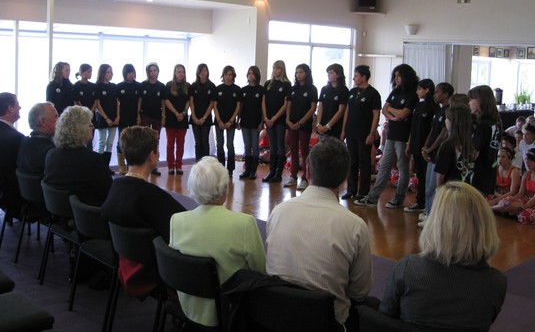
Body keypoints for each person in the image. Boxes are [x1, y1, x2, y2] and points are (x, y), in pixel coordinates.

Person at [267, 138, 372, 331]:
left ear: (307, 171)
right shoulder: (355, 227)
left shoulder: (278, 212)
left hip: (276, 319)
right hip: (328, 323)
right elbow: (359, 292)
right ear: (345, 177)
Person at [378, 182, 507, 331]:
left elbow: (384, 319)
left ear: (436, 222)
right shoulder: (496, 284)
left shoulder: (408, 269)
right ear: (484, 224)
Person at [170, 157, 266, 328]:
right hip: (231, 312)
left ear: (192, 188)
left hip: (188, 307)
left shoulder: (176, 221)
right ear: (224, 189)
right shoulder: (244, 224)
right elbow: (261, 271)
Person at [102, 126, 185, 298]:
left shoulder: (115, 187)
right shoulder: (153, 197)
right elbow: (184, 231)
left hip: (127, 268)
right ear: (152, 156)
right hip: (155, 273)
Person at [355, 64, 418, 208]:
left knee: (403, 168)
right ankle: (373, 197)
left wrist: (393, 112)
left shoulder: (412, 95)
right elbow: (384, 109)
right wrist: (394, 115)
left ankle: (399, 198)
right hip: (391, 135)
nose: (396, 79)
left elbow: (404, 114)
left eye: (399, 76)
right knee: (384, 166)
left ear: (406, 77)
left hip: (403, 137)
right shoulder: (395, 91)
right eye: (394, 76)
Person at [44, 106, 112, 206]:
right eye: (90, 124)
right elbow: (109, 193)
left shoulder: (51, 154)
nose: (93, 126)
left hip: (57, 210)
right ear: (80, 129)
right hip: (90, 215)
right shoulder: (93, 160)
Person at [425, 104, 475, 227]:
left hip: (450, 189)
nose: (445, 121)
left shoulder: (447, 145)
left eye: (447, 119)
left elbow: (441, 173)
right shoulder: (469, 143)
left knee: (447, 222)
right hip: (465, 188)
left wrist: (439, 190)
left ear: (452, 122)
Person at [340, 65, 381, 200]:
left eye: (356, 76)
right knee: (352, 161)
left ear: (364, 77)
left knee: (364, 162)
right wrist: (343, 130)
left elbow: (376, 115)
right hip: (351, 131)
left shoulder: (373, 94)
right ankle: (351, 190)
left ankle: (363, 192)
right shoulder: (352, 92)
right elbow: (347, 111)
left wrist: (372, 133)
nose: (354, 78)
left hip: (364, 133)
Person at [0, 92, 24, 215]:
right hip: (12, 197)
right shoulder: (15, 137)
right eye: (17, 104)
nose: (20, 107)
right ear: (10, 109)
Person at [420, 82, 454, 217]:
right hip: (432, 153)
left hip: (440, 153)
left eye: (437, 92)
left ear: (446, 94)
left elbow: (443, 133)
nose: (434, 95)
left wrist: (431, 148)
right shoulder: (439, 110)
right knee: (429, 186)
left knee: (435, 187)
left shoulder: (449, 110)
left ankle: (433, 215)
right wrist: (425, 147)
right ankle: (428, 211)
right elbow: (433, 130)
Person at [284, 63, 318, 190]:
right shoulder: (293, 89)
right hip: (291, 124)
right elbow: (288, 105)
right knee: (292, 150)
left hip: (304, 125)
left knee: (304, 151)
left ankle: (305, 177)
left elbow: (313, 108)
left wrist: (300, 122)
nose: (298, 75)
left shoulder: (312, 89)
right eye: (297, 72)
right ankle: (293, 176)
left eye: (301, 72)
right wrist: (288, 119)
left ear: (307, 74)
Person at [405, 78, 436, 212]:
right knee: (419, 175)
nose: (417, 92)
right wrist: (409, 144)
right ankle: (420, 201)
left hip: (426, 147)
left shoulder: (434, 107)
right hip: (415, 144)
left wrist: (428, 147)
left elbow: (434, 130)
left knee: (426, 177)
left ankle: (425, 204)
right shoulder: (418, 105)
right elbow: (413, 127)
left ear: (427, 90)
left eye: (419, 89)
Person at [468, 85, 501, 195]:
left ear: (481, 100)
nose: (469, 103)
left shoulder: (483, 125)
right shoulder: (495, 122)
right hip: (490, 171)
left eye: (472, 99)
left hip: (479, 173)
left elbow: (474, 153)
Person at [262, 60, 292, 183]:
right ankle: (271, 171)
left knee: (280, 147)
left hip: (279, 120)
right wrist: (265, 117)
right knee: (272, 147)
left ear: (282, 70)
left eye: (278, 68)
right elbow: (263, 102)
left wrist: (274, 118)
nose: (275, 70)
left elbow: (286, 104)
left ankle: (278, 174)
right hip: (268, 120)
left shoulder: (286, 84)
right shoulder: (268, 83)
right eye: (274, 68)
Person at [138, 62, 167, 175]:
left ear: (158, 72)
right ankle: (143, 164)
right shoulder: (142, 85)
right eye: (151, 70)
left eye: (155, 70)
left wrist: (163, 117)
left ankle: (153, 166)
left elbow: (163, 103)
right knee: (144, 140)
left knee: (155, 141)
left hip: (157, 117)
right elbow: (139, 101)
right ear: (148, 72)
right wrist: (138, 115)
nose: (153, 72)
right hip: (144, 116)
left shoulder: (161, 86)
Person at [213, 65, 242, 177]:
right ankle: (220, 168)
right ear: (223, 75)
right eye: (226, 74)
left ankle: (230, 170)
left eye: (230, 74)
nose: (228, 77)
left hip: (231, 122)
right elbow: (214, 106)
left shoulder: (237, 89)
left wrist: (231, 121)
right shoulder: (218, 88)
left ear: (233, 76)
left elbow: (238, 107)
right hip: (219, 121)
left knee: (230, 145)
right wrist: (219, 121)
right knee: (219, 144)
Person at [16, 102, 58, 176]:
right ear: (43, 121)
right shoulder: (50, 151)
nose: (59, 120)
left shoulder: (24, 141)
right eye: (56, 117)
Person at [238, 66, 265, 180]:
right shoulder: (243, 90)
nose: (250, 76)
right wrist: (238, 121)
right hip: (245, 122)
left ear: (257, 75)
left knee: (255, 145)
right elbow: (240, 107)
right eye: (249, 73)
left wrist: (262, 122)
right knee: (247, 145)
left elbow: (263, 108)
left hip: (256, 122)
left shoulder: (261, 89)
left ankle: (253, 170)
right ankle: (247, 169)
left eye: (253, 74)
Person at [164, 64, 190, 175]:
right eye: (178, 71)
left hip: (183, 118)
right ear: (175, 73)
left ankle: (179, 165)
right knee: (170, 144)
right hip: (171, 118)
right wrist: (175, 113)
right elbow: (166, 101)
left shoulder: (188, 86)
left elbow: (189, 101)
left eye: (182, 72)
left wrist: (183, 113)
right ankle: (170, 166)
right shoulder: (169, 85)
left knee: (180, 144)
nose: (181, 74)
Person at [116, 64, 140, 175]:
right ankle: (121, 166)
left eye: (132, 72)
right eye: (129, 72)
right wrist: (117, 116)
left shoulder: (138, 86)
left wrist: (138, 115)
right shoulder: (119, 86)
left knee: (134, 142)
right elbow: (117, 103)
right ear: (125, 74)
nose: (131, 75)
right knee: (121, 141)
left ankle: (131, 165)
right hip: (122, 118)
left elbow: (140, 102)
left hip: (134, 118)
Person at [189, 63, 215, 162]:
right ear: (197, 73)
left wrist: (204, 118)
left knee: (205, 141)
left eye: (204, 70)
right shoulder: (193, 86)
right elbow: (191, 102)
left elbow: (212, 104)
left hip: (206, 118)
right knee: (198, 142)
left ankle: (206, 164)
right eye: (200, 71)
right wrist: (194, 117)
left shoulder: (212, 86)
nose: (202, 73)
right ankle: (198, 164)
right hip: (195, 117)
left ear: (207, 72)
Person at [94, 64, 119, 167]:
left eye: (111, 72)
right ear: (102, 73)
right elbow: (97, 104)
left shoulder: (113, 86)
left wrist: (118, 116)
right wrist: (106, 118)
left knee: (110, 143)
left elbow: (118, 102)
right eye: (108, 72)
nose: (110, 74)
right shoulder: (97, 86)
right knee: (102, 142)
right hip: (103, 118)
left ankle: (106, 167)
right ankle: (99, 167)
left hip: (114, 118)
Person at [316, 63, 349, 140]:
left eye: (331, 73)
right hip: (322, 127)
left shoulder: (344, 90)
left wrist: (328, 126)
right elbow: (320, 107)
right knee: (322, 150)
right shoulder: (324, 89)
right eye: (328, 73)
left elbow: (341, 111)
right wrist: (318, 124)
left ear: (338, 75)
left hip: (335, 128)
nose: (328, 75)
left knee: (333, 151)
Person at [73, 63, 97, 150]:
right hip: (81, 115)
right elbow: (77, 101)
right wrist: (84, 112)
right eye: (88, 72)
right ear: (82, 73)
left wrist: (90, 112)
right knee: (81, 140)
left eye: (91, 72)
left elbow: (96, 101)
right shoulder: (76, 86)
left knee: (90, 140)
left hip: (91, 116)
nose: (90, 74)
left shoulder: (93, 86)